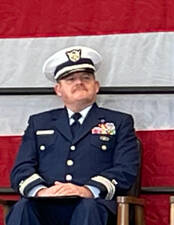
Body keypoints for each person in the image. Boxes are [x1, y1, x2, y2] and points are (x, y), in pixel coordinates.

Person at [7, 46, 139, 225]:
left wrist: (87, 190)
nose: (79, 83)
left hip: (94, 205)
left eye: (86, 78)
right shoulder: (39, 123)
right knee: (23, 207)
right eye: (70, 79)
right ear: (58, 89)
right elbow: (21, 169)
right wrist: (40, 192)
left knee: (88, 207)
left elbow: (125, 169)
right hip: (46, 203)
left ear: (96, 86)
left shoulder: (119, 122)